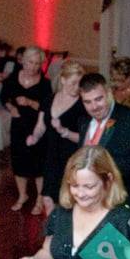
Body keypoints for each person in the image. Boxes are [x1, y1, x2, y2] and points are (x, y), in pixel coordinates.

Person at [77, 73, 130, 225]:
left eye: (99, 99)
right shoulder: (83, 121)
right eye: (87, 102)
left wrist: (105, 165)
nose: (94, 107)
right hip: (95, 207)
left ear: (109, 93)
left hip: (129, 207)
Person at [28, 60, 86, 216]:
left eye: (79, 84)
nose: (77, 87)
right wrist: (34, 137)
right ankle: (52, 229)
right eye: (73, 83)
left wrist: (64, 131)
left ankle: (67, 229)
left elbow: (85, 138)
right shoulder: (49, 99)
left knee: (67, 200)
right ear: (63, 80)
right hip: (51, 155)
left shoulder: (82, 106)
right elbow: (41, 125)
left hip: (72, 158)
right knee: (47, 198)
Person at [0, 44, 51, 213]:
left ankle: (39, 199)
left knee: (38, 164)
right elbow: (4, 97)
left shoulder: (45, 83)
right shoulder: (13, 78)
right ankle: (23, 195)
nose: (33, 67)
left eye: (37, 63)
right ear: (23, 61)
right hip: (19, 124)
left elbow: (47, 107)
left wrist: (30, 102)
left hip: (37, 126)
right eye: (30, 62)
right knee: (19, 161)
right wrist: (11, 108)